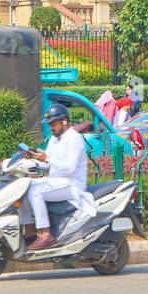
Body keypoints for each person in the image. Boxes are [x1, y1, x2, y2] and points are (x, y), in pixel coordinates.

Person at [22, 102, 97, 252]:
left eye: (53, 124)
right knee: (24, 187)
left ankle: (45, 234)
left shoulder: (73, 138)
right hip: (56, 181)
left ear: (64, 121)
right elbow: (48, 164)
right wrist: (34, 160)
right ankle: (30, 232)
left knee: (35, 191)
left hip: (72, 184)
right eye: (49, 124)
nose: (51, 127)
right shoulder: (55, 139)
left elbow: (69, 168)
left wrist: (46, 159)